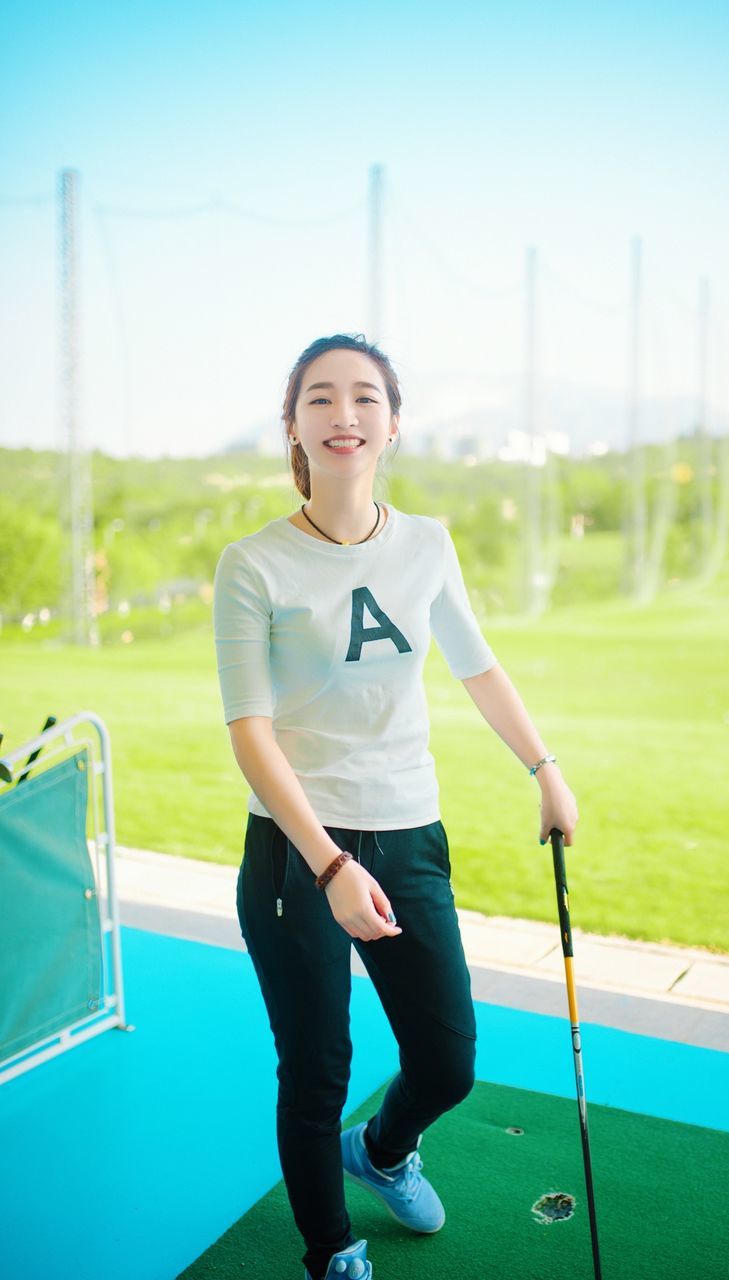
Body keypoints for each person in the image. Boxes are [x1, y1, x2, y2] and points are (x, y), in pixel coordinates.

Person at [212, 333, 579, 1280]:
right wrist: (330, 866)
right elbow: (251, 732)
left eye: (365, 398)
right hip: (299, 846)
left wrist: (544, 766)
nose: (345, 415)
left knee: (449, 1060)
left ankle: (379, 1151)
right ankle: (331, 1250)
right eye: (321, 399)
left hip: (410, 827)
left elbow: (477, 663)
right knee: (316, 1067)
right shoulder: (251, 564)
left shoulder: (429, 544)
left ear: (394, 424)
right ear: (291, 424)